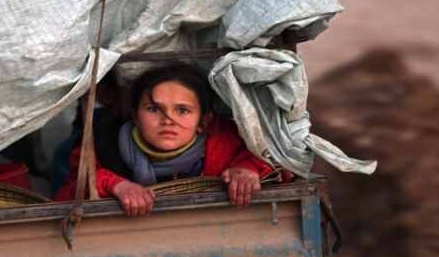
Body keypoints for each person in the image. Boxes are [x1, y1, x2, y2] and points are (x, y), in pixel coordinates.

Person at [53, 63, 286, 216]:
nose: (168, 120)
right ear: (134, 115)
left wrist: (250, 169)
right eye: (154, 109)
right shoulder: (100, 147)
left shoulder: (232, 142)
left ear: (204, 121)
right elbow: (66, 196)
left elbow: (282, 162)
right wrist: (114, 184)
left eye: (183, 110)